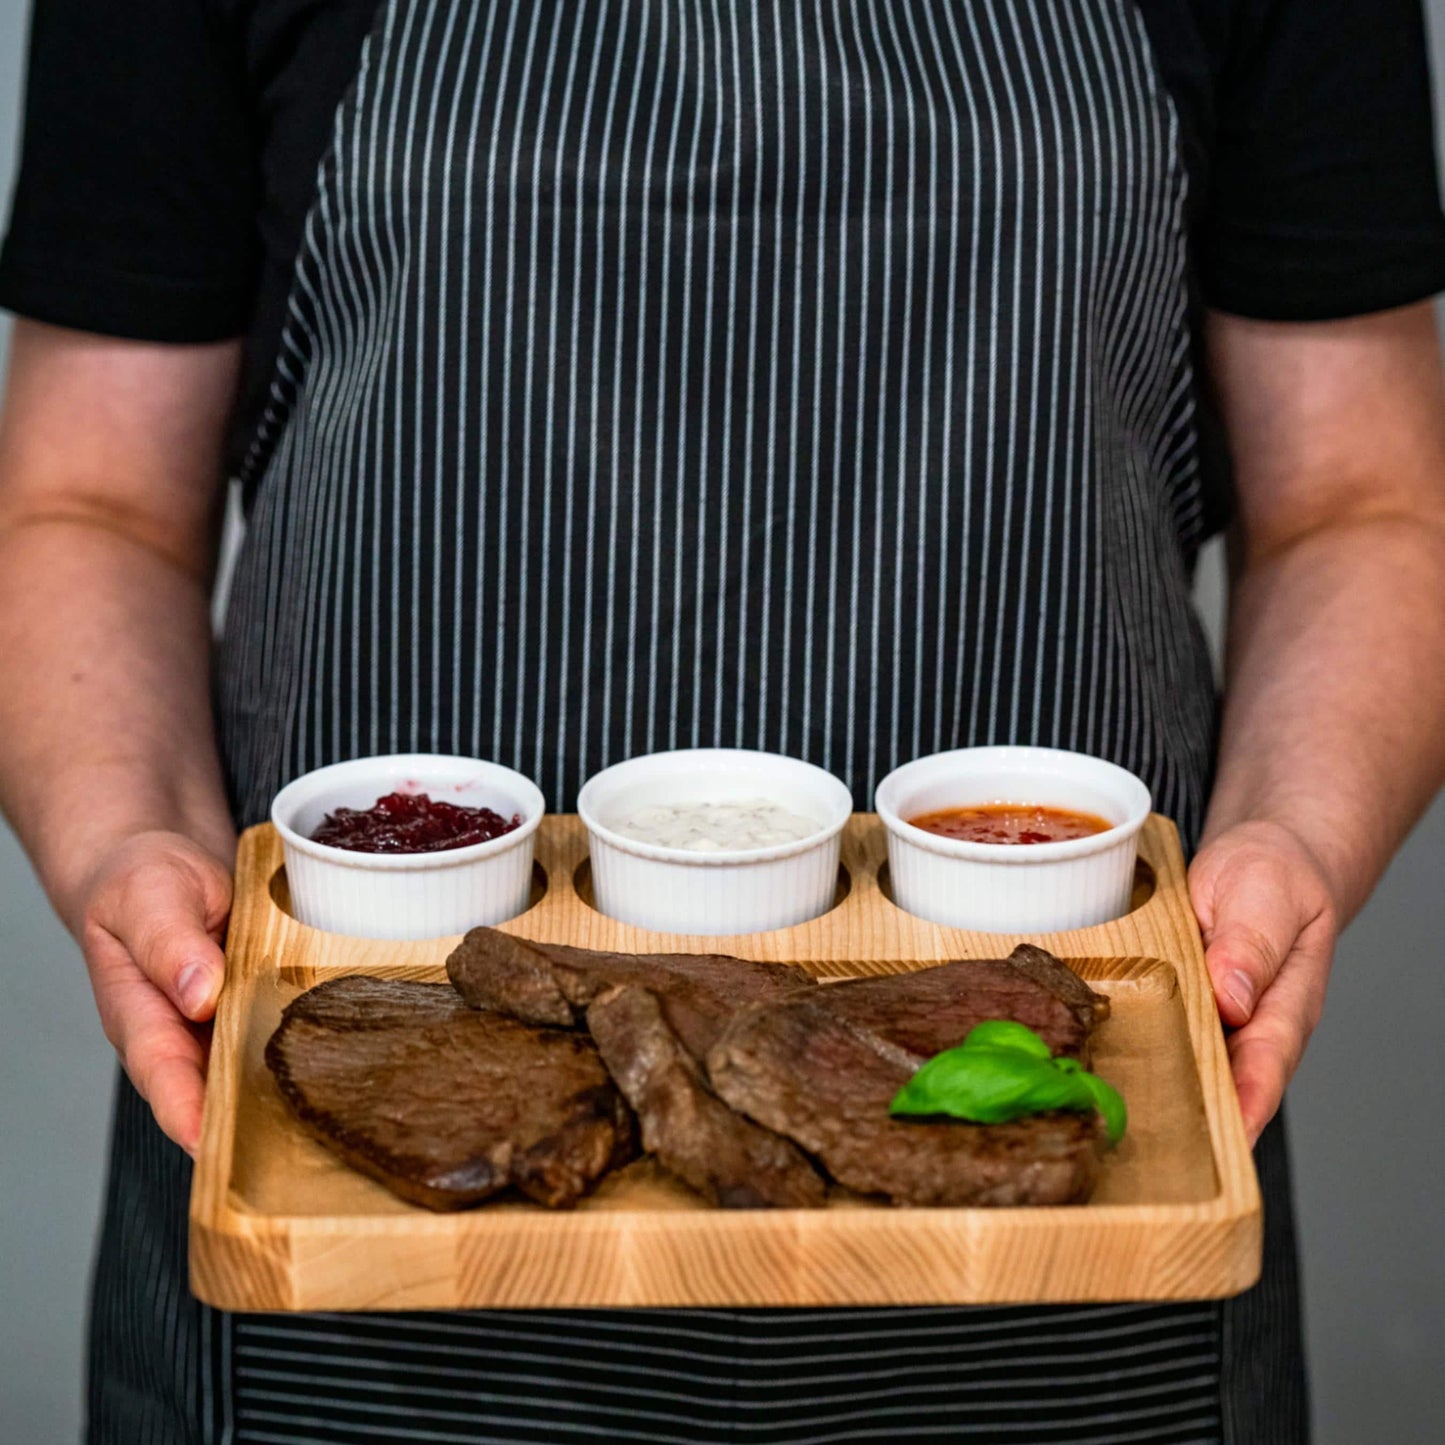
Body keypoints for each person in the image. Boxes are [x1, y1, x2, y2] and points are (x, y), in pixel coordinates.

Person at [2, 0, 1445, 1439]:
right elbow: (87, 503)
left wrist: (1292, 832)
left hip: (1063, 1289)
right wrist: (124, 831)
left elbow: (1362, 500)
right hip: (359, 1285)